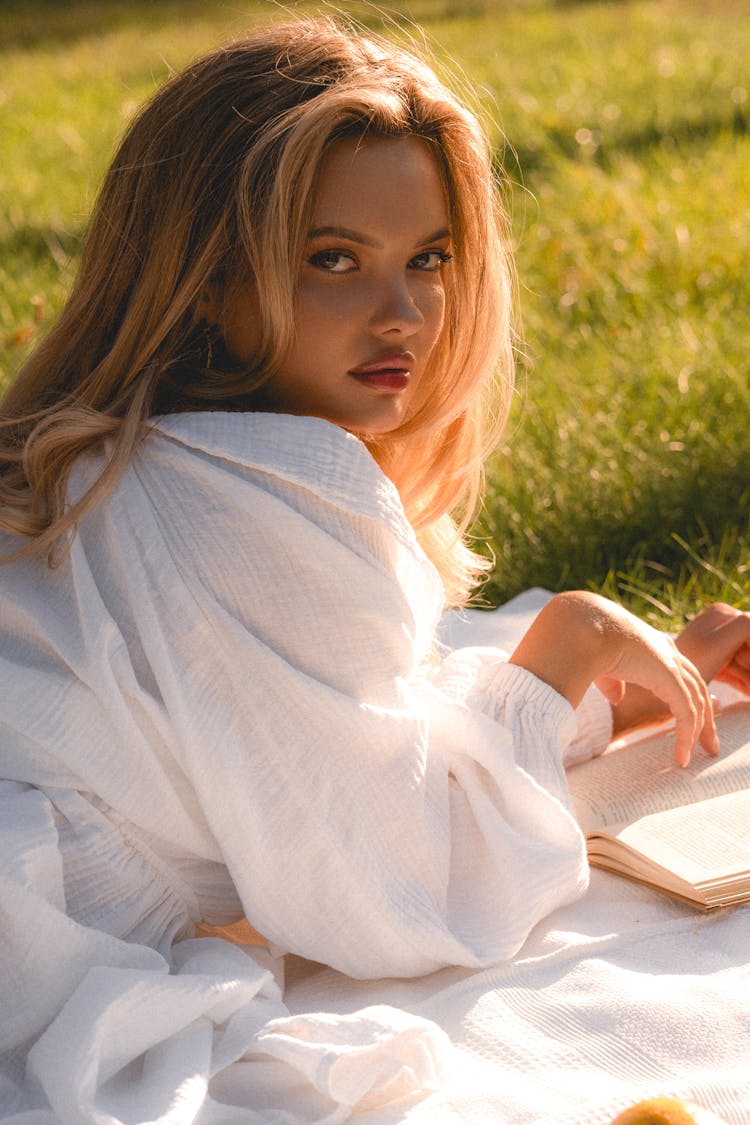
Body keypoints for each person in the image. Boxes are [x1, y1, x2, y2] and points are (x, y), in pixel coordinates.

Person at [1, 15, 749, 1123]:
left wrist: (605, 694)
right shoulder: (245, 496)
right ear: (206, 275)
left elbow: (353, 731)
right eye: (333, 260)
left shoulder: (147, 452)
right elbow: (398, 895)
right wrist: (569, 644)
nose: (400, 313)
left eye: (429, 258)